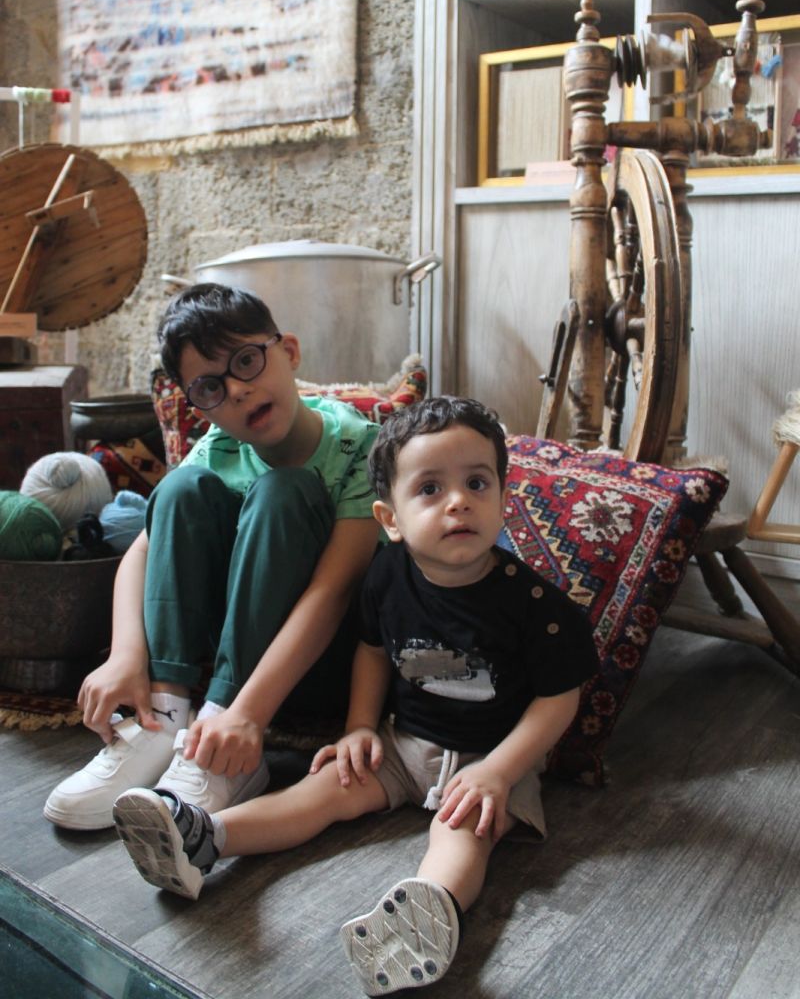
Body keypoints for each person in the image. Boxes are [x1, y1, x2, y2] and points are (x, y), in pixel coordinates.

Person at [111, 396, 599, 994]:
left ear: (502, 498)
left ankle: (428, 915)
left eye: (477, 483)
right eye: (430, 489)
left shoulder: (536, 605)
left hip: (493, 757)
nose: (458, 501)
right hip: (403, 743)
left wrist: (499, 771)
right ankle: (203, 837)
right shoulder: (386, 576)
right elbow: (371, 649)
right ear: (390, 518)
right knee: (320, 792)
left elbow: (559, 699)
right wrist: (360, 727)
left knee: (464, 831)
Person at [44, 283, 381, 830]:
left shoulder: (360, 445)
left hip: (323, 664)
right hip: (228, 655)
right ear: (196, 404)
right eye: (210, 387)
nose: (239, 391)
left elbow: (334, 593)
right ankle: (165, 718)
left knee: (284, 490)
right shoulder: (219, 448)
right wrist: (125, 656)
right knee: (179, 489)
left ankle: (227, 746)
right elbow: (139, 558)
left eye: (247, 361)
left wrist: (244, 713)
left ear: (289, 352)